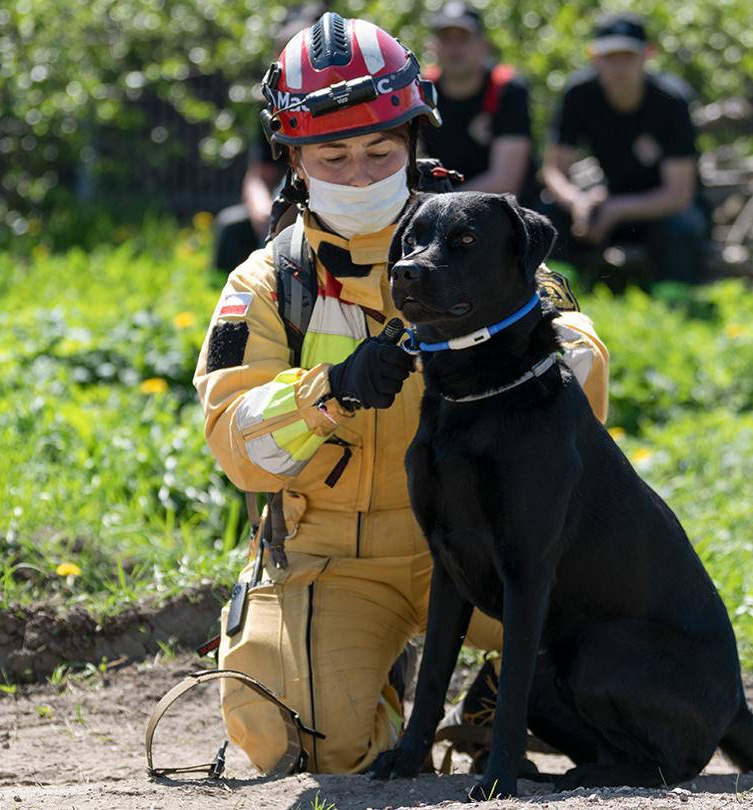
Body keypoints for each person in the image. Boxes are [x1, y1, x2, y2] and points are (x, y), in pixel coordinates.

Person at [193, 12, 613, 776]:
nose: (360, 175)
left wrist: (491, 347)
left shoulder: (487, 237)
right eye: (334, 156)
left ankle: (494, 708)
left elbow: (580, 369)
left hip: (491, 542)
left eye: (380, 152)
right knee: (292, 739)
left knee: (624, 612)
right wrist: (327, 391)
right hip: (339, 557)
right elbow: (238, 444)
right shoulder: (269, 282)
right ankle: (383, 692)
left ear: (416, 140)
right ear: (293, 158)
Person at [541, 12, 711, 289]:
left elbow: (679, 194)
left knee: (681, 225)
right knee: (547, 210)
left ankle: (674, 298)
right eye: (610, 57)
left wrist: (616, 210)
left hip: (660, 209)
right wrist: (577, 203)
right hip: (608, 201)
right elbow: (553, 171)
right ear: (594, 57)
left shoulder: (671, 100)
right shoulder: (578, 94)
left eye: (627, 56)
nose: (619, 66)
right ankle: (555, 291)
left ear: (648, 55)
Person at [210, 5, 326, 272]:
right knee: (232, 227)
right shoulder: (273, 110)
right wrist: (265, 213)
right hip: (291, 206)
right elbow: (258, 177)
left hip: (337, 205)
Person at [419, 3, 535, 197]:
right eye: (446, 39)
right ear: (432, 46)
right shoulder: (420, 91)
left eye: (463, 38)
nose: (454, 48)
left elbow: (505, 182)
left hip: (502, 207)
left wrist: (444, 203)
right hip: (439, 203)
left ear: (484, 45)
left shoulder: (506, 90)